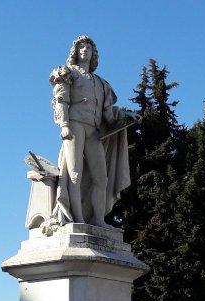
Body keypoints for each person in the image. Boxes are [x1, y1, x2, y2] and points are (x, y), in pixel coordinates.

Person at [49, 36, 140, 229]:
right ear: (75, 51)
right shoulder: (67, 72)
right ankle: (78, 219)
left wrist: (127, 115)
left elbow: (109, 114)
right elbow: (61, 100)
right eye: (81, 47)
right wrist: (64, 125)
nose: (85, 50)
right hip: (74, 125)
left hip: (94, 131)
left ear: (94, 54)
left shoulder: (101, 83)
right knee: (74, 173)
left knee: (101, 177)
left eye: (89, 48)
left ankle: (98, 220)